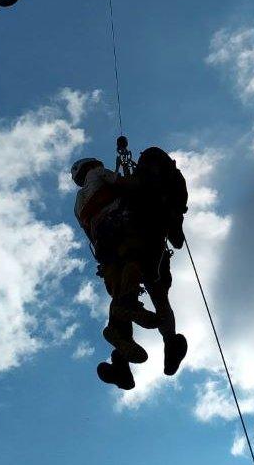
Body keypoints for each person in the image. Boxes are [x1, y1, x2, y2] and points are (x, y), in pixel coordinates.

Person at [71, 146, 188, 390]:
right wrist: (138, 184)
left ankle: (121, 362)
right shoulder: (100, 174)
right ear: (92, 165)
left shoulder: (78, 202)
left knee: (121, 289)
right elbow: (129, 187)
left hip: (103, 245)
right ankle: (169, 342)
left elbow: (87, 232)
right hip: (126, 230)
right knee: (149, 282)